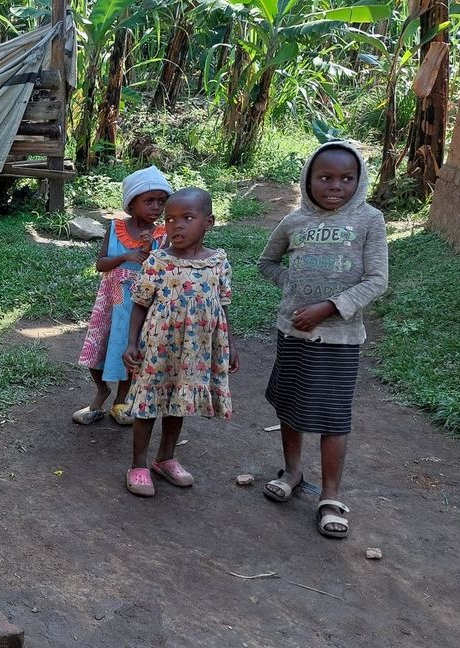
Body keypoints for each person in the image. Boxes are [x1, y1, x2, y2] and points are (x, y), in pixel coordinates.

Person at [257, 141, 388, 539]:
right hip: (293, 333)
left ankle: (330, 495)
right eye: (325, 178)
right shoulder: (294, 222)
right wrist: (293, 289)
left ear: (359, 180)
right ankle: (293, 471)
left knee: (333, 417)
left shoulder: (369, 220)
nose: (336, 186)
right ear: (308, 180)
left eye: (347, 178)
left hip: (340, 340)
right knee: (290, 405)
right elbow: (267, 263)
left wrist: (329, 306)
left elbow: (377, 280)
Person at [122, 188, 238, 497]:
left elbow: (223, 306)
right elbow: (139, 304)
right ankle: (138, 464)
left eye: (187, 218)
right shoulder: (158, 261)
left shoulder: (218, 263)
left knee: (178, 403)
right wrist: (131, 343)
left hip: (195, 351)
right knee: (148, 405)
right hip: (158, 349)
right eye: (170, 219)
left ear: (209, 222)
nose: (177, 226)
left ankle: (166, 458)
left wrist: (231, 345)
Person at [73, 166, 172, 427]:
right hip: (112, 301)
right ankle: (101, 391)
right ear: (132, 203)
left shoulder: (162, 236)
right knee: (100, 346)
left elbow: (164, 268)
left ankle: (122, 400)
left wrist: (149, 249)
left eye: (161, 201)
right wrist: (126, 256)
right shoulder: (115, 228)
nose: (156, 207)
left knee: (131, 350)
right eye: (148, 201)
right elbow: (101, 264)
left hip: (142, 306)